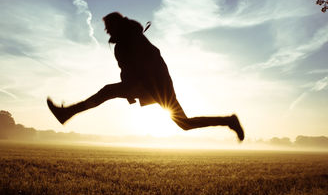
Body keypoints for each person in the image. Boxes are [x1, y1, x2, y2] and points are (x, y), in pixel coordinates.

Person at [47, 12, 244, 141]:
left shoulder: (130, 40)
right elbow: (134, 67)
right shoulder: (127, 40)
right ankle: (229, 121)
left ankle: (67, 113)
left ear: (117, 24)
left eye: (108, 25)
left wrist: (136, 89)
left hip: (154, 85)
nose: (106, 30)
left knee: (107, 91)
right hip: (153, 85)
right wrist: (133, 89)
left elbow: (148, 64)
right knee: (185, 124)